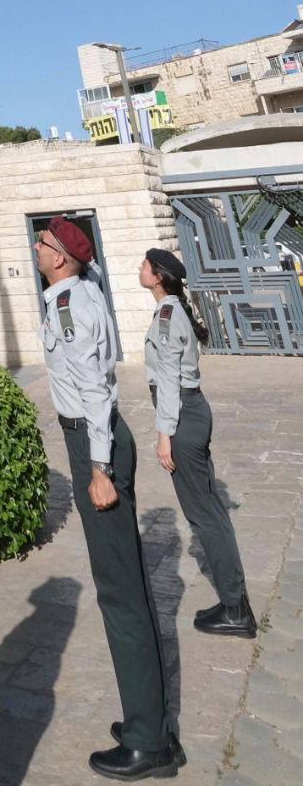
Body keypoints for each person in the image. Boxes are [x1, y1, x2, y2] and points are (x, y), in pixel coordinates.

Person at [35, 217, 183, 782]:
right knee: (124, 585)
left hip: (93, 442)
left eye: (44, 243)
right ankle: (147, 717)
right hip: (93, 439)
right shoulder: (76, 293)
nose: (37, 247)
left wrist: (98, 467)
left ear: (60, 259)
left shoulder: (72, 304)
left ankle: (150, 741)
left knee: (120, 593)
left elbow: (96, 388)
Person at [140, 246, 256, 638]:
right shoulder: (170, 311)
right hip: (190, 412)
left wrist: (163, 437)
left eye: (145, 265)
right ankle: (234, 601)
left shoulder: (168, 315)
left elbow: (169, 379)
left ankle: (236, 610)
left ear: (158, 276)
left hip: (183, 418)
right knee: (211, 514)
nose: (140, 269)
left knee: (205, 518)